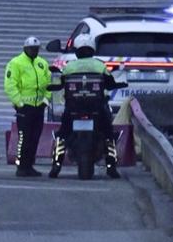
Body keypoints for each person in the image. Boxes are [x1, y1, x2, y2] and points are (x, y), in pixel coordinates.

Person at [49, 43, 126, 179]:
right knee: (109, 135)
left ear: (77, 52)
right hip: (97, 108)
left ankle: (56, 166)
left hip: (73, 108)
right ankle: (111, 167)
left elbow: (61, 83)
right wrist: (118, 85)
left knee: (62, 134)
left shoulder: (69, 66)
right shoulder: (99, 65)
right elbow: (110, 83)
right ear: (92, 51)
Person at [3, 36, 53, 177]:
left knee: (35, 137)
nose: (35, 51)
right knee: (24, 137)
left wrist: (46, 100)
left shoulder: (42, 63)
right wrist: (19, 103)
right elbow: (10, 85)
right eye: (32, 49)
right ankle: (21, 166)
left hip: (39, 107)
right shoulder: (16, 63)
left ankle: (29, 165)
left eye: (36, 49)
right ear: (25, 48)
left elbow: (48, 83)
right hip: (25, 108)